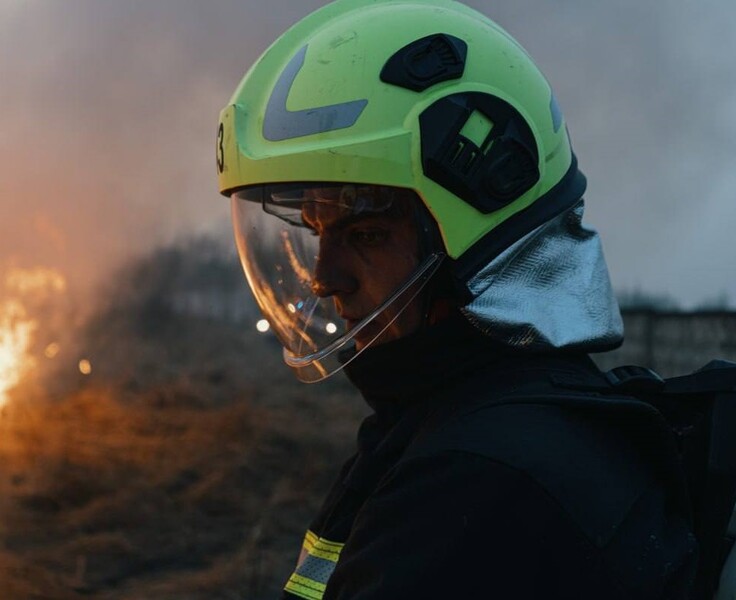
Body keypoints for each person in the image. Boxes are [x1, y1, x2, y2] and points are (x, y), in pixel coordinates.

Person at [216, 0, 698, 597]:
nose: (322, 277)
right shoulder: (457, 426)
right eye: (317, 232)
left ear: (473, 234)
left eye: (364, 233)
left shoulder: (484, 481)